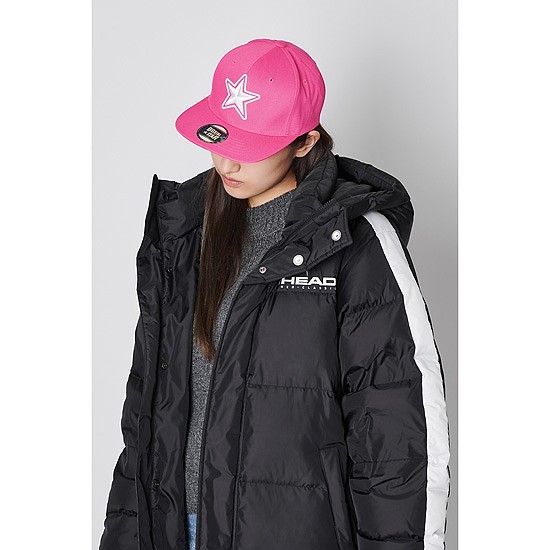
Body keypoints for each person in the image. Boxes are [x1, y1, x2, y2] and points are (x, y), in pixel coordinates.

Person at [98, 38, 451, 550]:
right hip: (176, 531)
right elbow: (145, 416)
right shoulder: (184, 236)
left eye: (249, 145)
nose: (226, 162)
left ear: (305, 143)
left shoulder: (356, 244)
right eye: (220, 137)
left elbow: (397, 434)